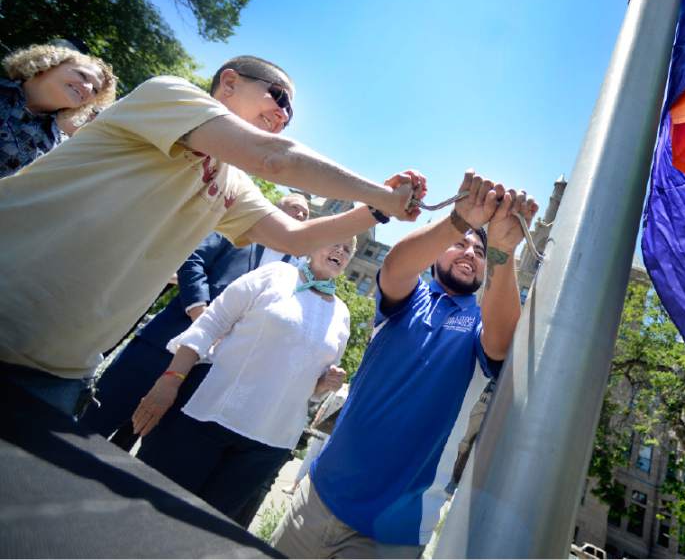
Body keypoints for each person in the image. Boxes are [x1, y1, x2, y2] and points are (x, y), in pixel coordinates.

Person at [0, 54, 426, 418]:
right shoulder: (170, 94)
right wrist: (383, 194)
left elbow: (295, 238)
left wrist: (373, 211)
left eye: (290, 114)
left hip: (60, 368)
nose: (282, 115)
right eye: (278, 97)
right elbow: (274, 159)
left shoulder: (232, 182)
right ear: (229, 81)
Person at [271, 170, 538, 559]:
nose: (469, 254)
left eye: (479, 254)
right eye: (460, 245)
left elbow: (501, 342)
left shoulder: (482, 324)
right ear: (436, 256)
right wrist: (461, 219)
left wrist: (501, 250)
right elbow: (395, 267)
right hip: (319, 496)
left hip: (393, 532)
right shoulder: (408, 299)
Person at [130, 238, 356, 523]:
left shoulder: (342, 314)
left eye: (348, 249)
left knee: (200, 533)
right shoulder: (275, 274)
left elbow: (309, 382)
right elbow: (212, 321)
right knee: (146, 510)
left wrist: (325, 383)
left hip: (268, 444)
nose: (340, 250)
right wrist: (171, 379)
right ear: (312, 245)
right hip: (208, 417)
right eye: (336, 241)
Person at [79, 193, 312, 449]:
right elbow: (193, 259)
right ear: (273, 209)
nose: (301, 215)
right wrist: (201, 313)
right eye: (295, 208)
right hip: (161, 347)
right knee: (92, 424)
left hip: (205, 373)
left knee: (130, 443)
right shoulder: (239, 232)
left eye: (306, 214)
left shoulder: (297, 274)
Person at [1, 43, 117, 177]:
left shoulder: (56, 147)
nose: (88, 88)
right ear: (49, 64)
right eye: (83, 75)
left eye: (95, 90)